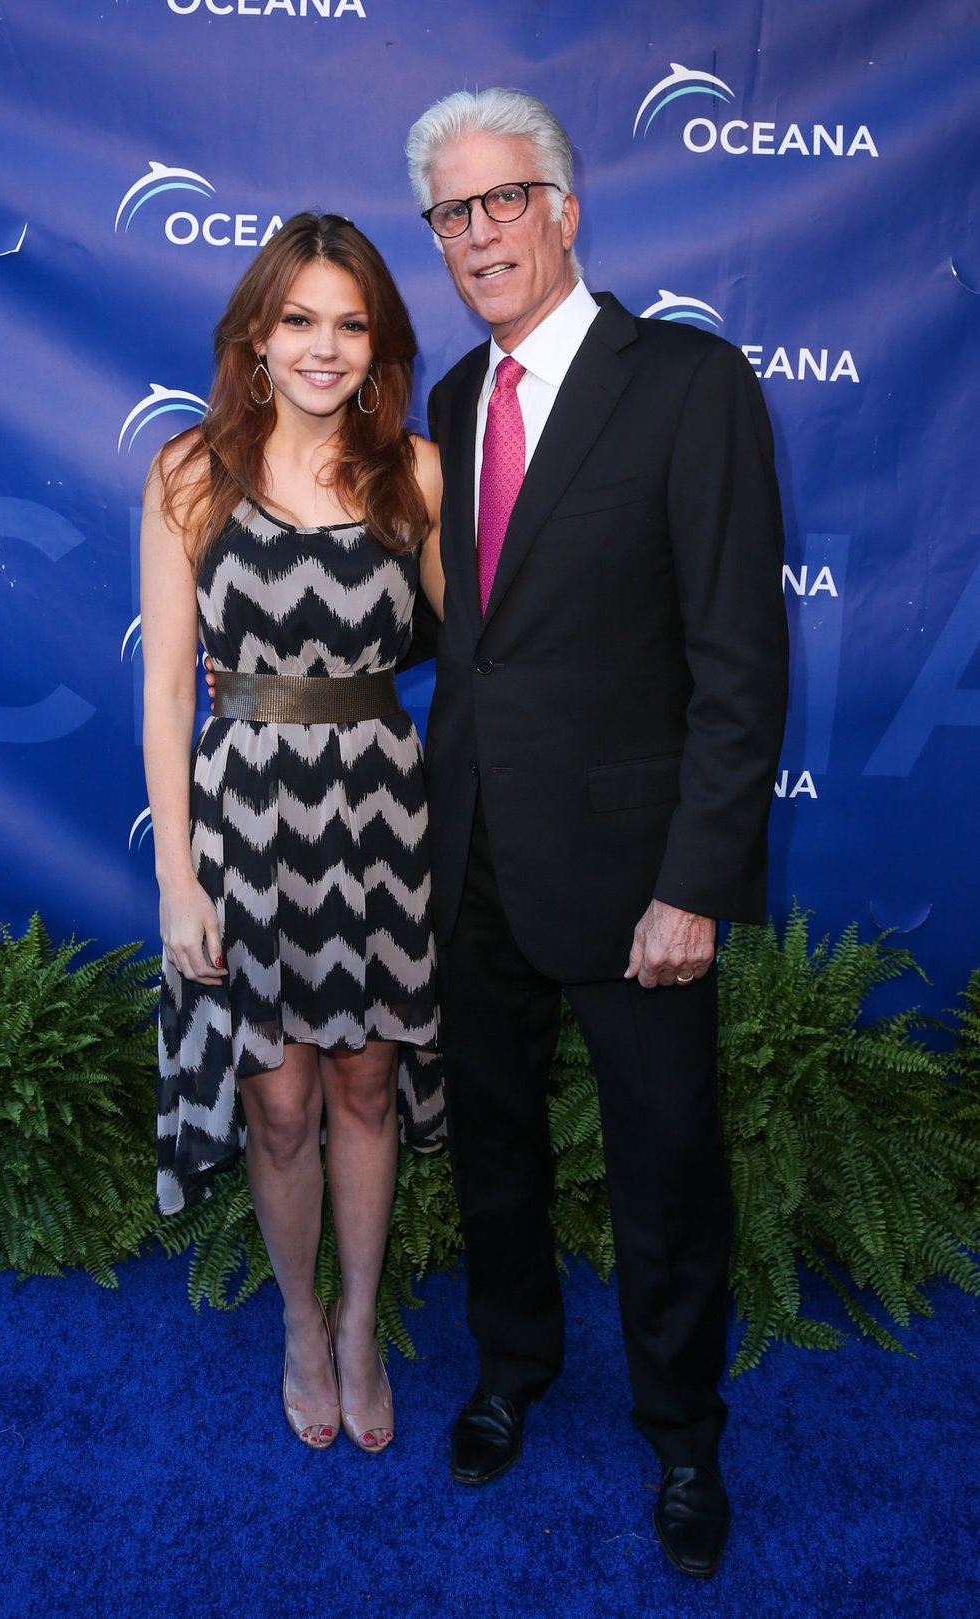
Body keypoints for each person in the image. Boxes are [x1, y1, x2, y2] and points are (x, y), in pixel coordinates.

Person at [404, 90, 789, 1576]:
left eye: (505, 200)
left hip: (638, 877)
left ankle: (683, 1434)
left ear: (565, 209)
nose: (480, 232)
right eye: (453, 212)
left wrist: (694, 879)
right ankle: (510, 1368)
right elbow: (477, 642)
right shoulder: (450, 400)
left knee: (666, 1162)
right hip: (477, 855)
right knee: (494, 1145)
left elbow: (738, 663)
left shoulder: (690, 382)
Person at [140, 212, 446, 1455]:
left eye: (350, 322)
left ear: (378, 345)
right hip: (246, 816)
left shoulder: (413, 475)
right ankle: (299, 1324)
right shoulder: (188, 473)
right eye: (298, 319)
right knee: (278, 1104)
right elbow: (166, 689)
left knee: (367, 1081)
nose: (324, 347)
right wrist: (176, 876)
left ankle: (362, 1320)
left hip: (381, 814)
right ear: (257, 337)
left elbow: (490, 656)